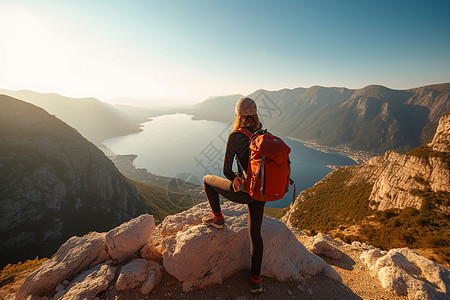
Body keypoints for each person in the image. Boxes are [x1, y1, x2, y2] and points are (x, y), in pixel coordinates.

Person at [202, 97, 265, 294]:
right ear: (255, 115)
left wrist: (239, 181)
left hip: (246, 193)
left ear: (238, 115)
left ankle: (218, 219)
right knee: (255, 233)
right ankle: (256, 281)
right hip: (262, 192)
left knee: (206, 180)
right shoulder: (262, 133)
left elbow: (226, 170)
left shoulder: (235, 136)